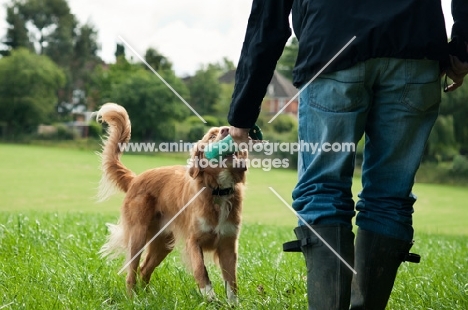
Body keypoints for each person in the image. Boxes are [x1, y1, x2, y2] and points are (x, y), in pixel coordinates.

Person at [227, 1, 468, 309]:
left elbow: (268, 16)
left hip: (332, 44)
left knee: (322, 190)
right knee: (390, 197)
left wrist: (243, 111)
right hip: (415, 44)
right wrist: (463, 43)